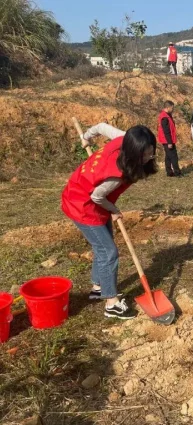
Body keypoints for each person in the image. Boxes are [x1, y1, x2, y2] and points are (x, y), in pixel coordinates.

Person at [61, 123, 158, 320]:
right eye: (146, 155)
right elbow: (97, 196)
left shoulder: (124, 139)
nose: (150, 157)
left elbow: (101, 126)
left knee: (103, 246)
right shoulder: (116, 175)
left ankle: (98, 286)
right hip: (82, 204)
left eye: (151, 152)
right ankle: (111, 303)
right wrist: (113, 210)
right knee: (108, 251)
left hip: (90, 198)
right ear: (133, 153)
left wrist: (87, 137)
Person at [157, 100, 181, 177]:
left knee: (168, 156)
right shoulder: (164, 117)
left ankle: (169, 172)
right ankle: (177, 172)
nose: (173, 109)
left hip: (168, 139)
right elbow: (166, 131)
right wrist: (169, 142)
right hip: (167, 140)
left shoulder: (167, 115)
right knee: (174, 156)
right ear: (168, 107)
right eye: (172, 108)